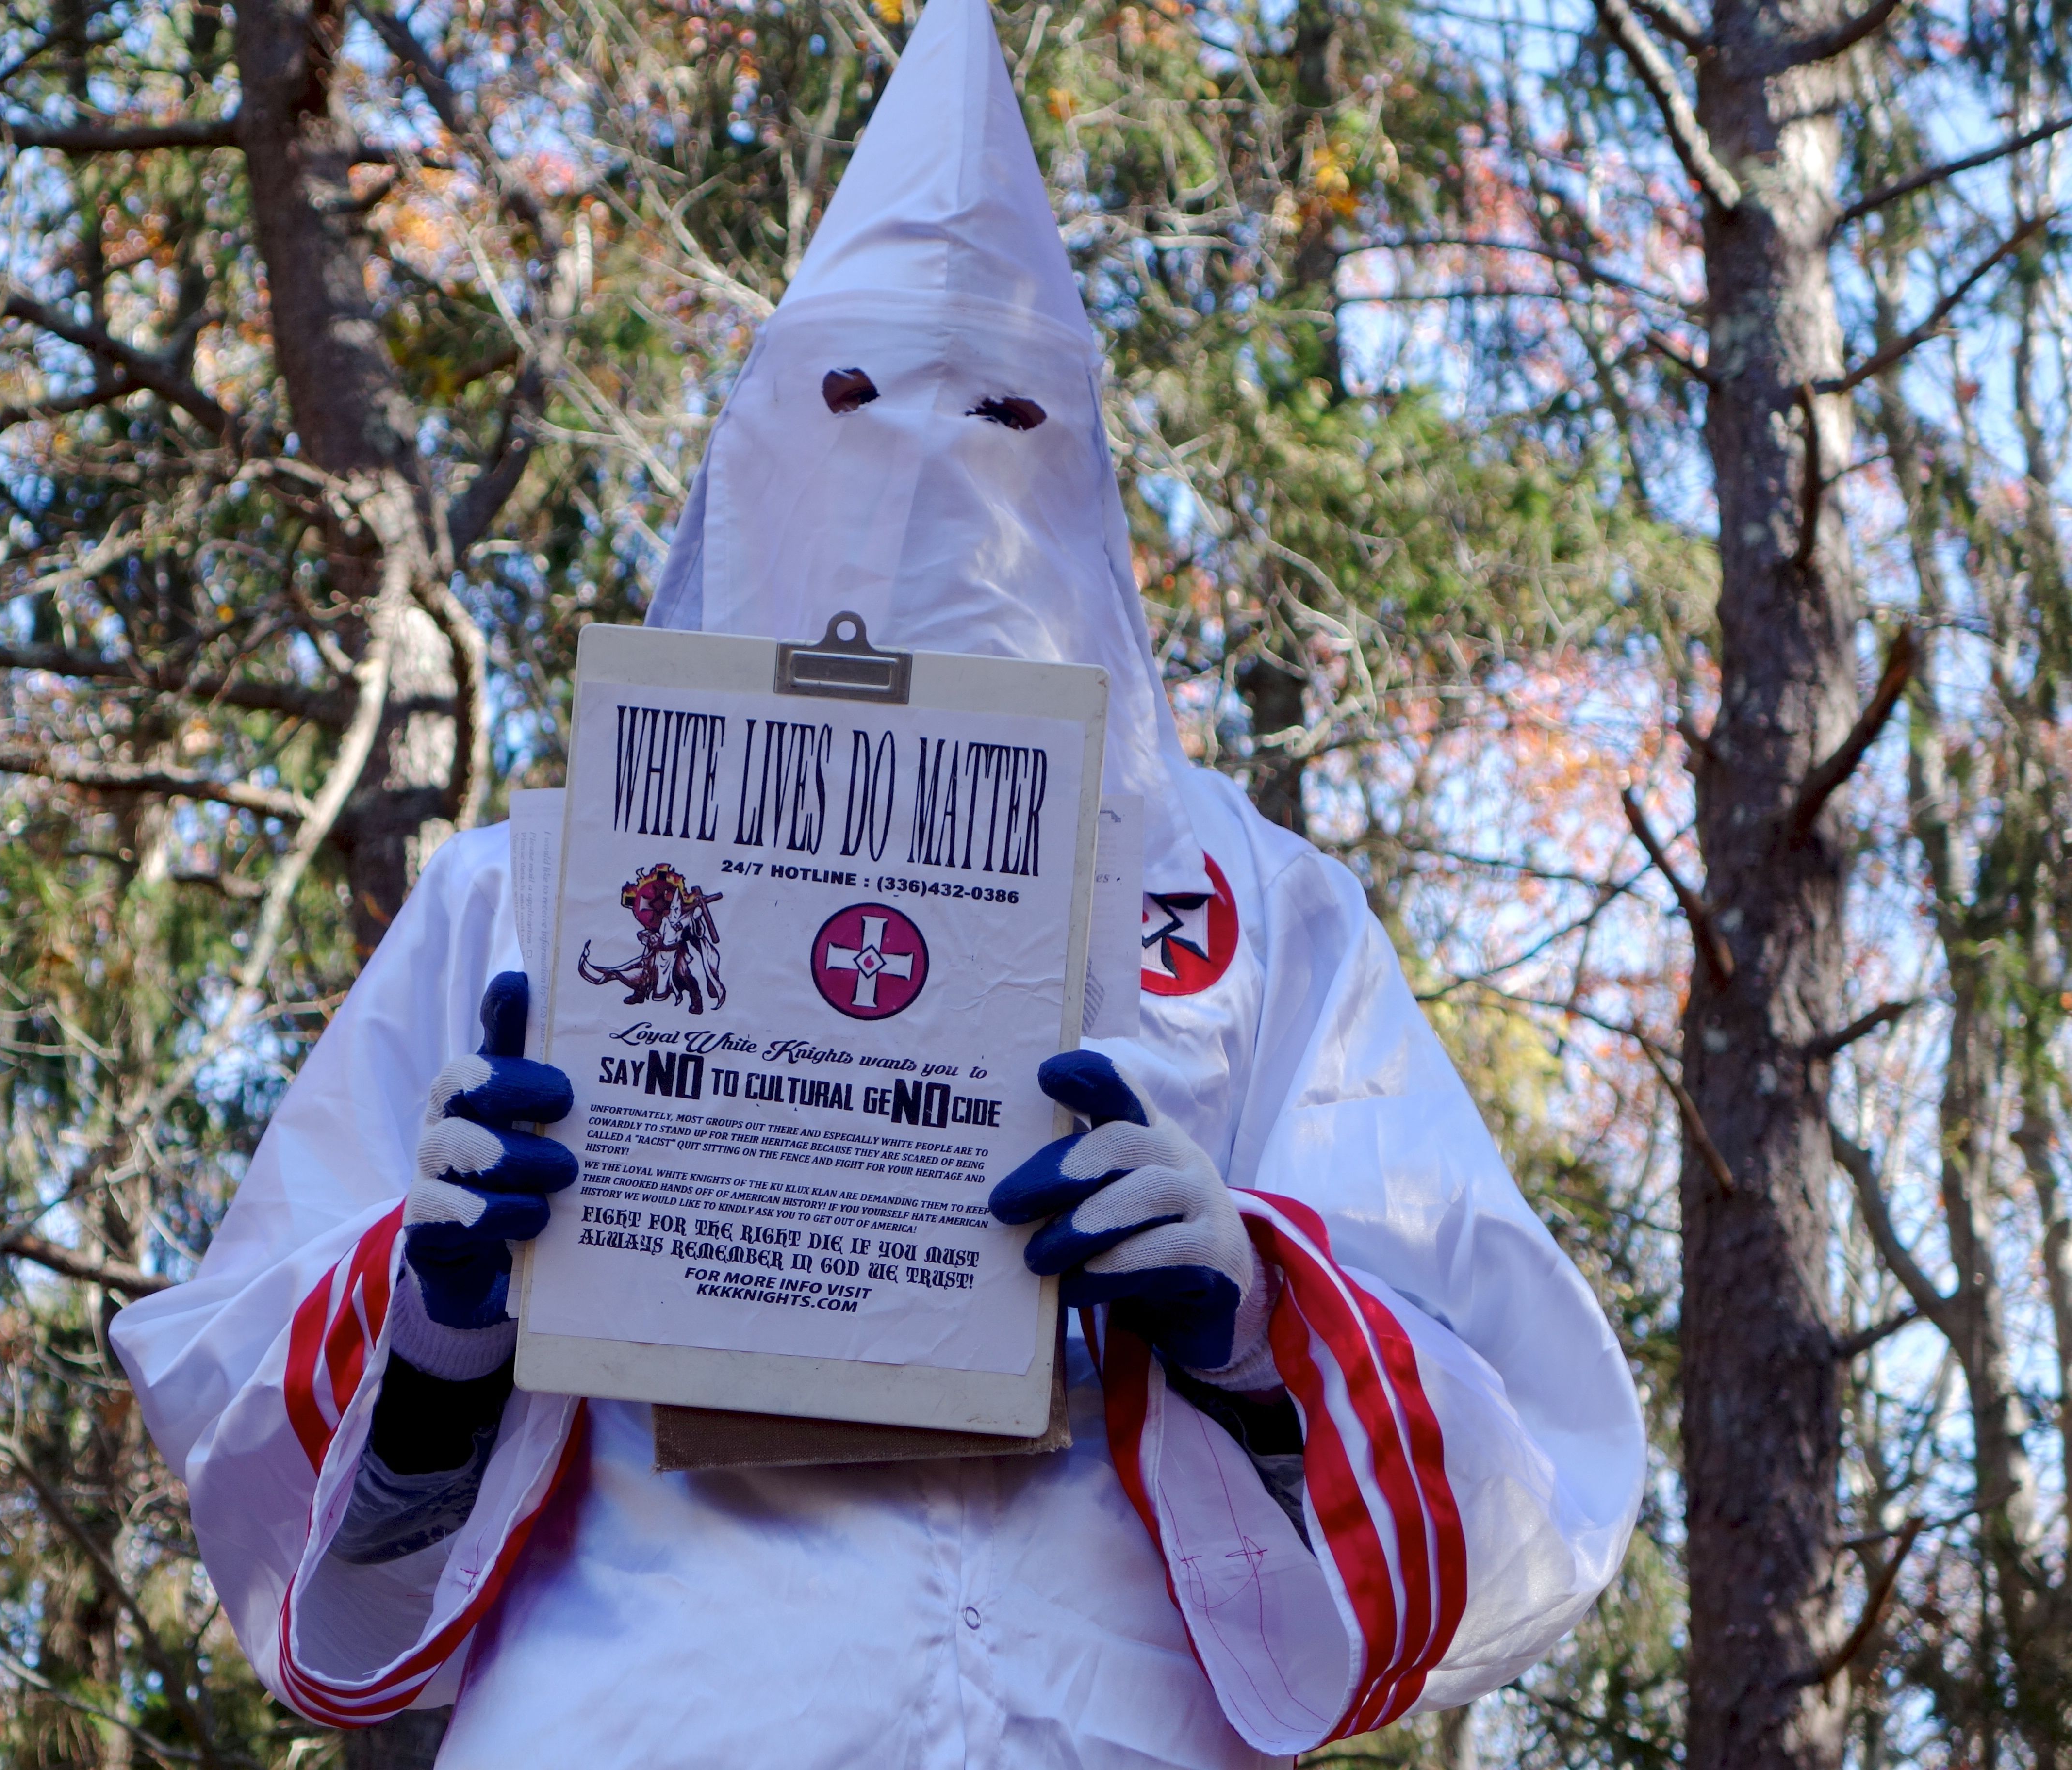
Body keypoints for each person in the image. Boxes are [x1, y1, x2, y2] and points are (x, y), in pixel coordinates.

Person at [110, 1, 1645, 1761]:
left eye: (1001, 411)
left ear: (1080, 460)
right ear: (755, 431)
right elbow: (279, 1497)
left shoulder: (1256, 912)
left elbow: (1530, 1458)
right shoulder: (523, 900)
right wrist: (435, 1312)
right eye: (851, 398)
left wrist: (1252, 1322)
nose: (927, 463)